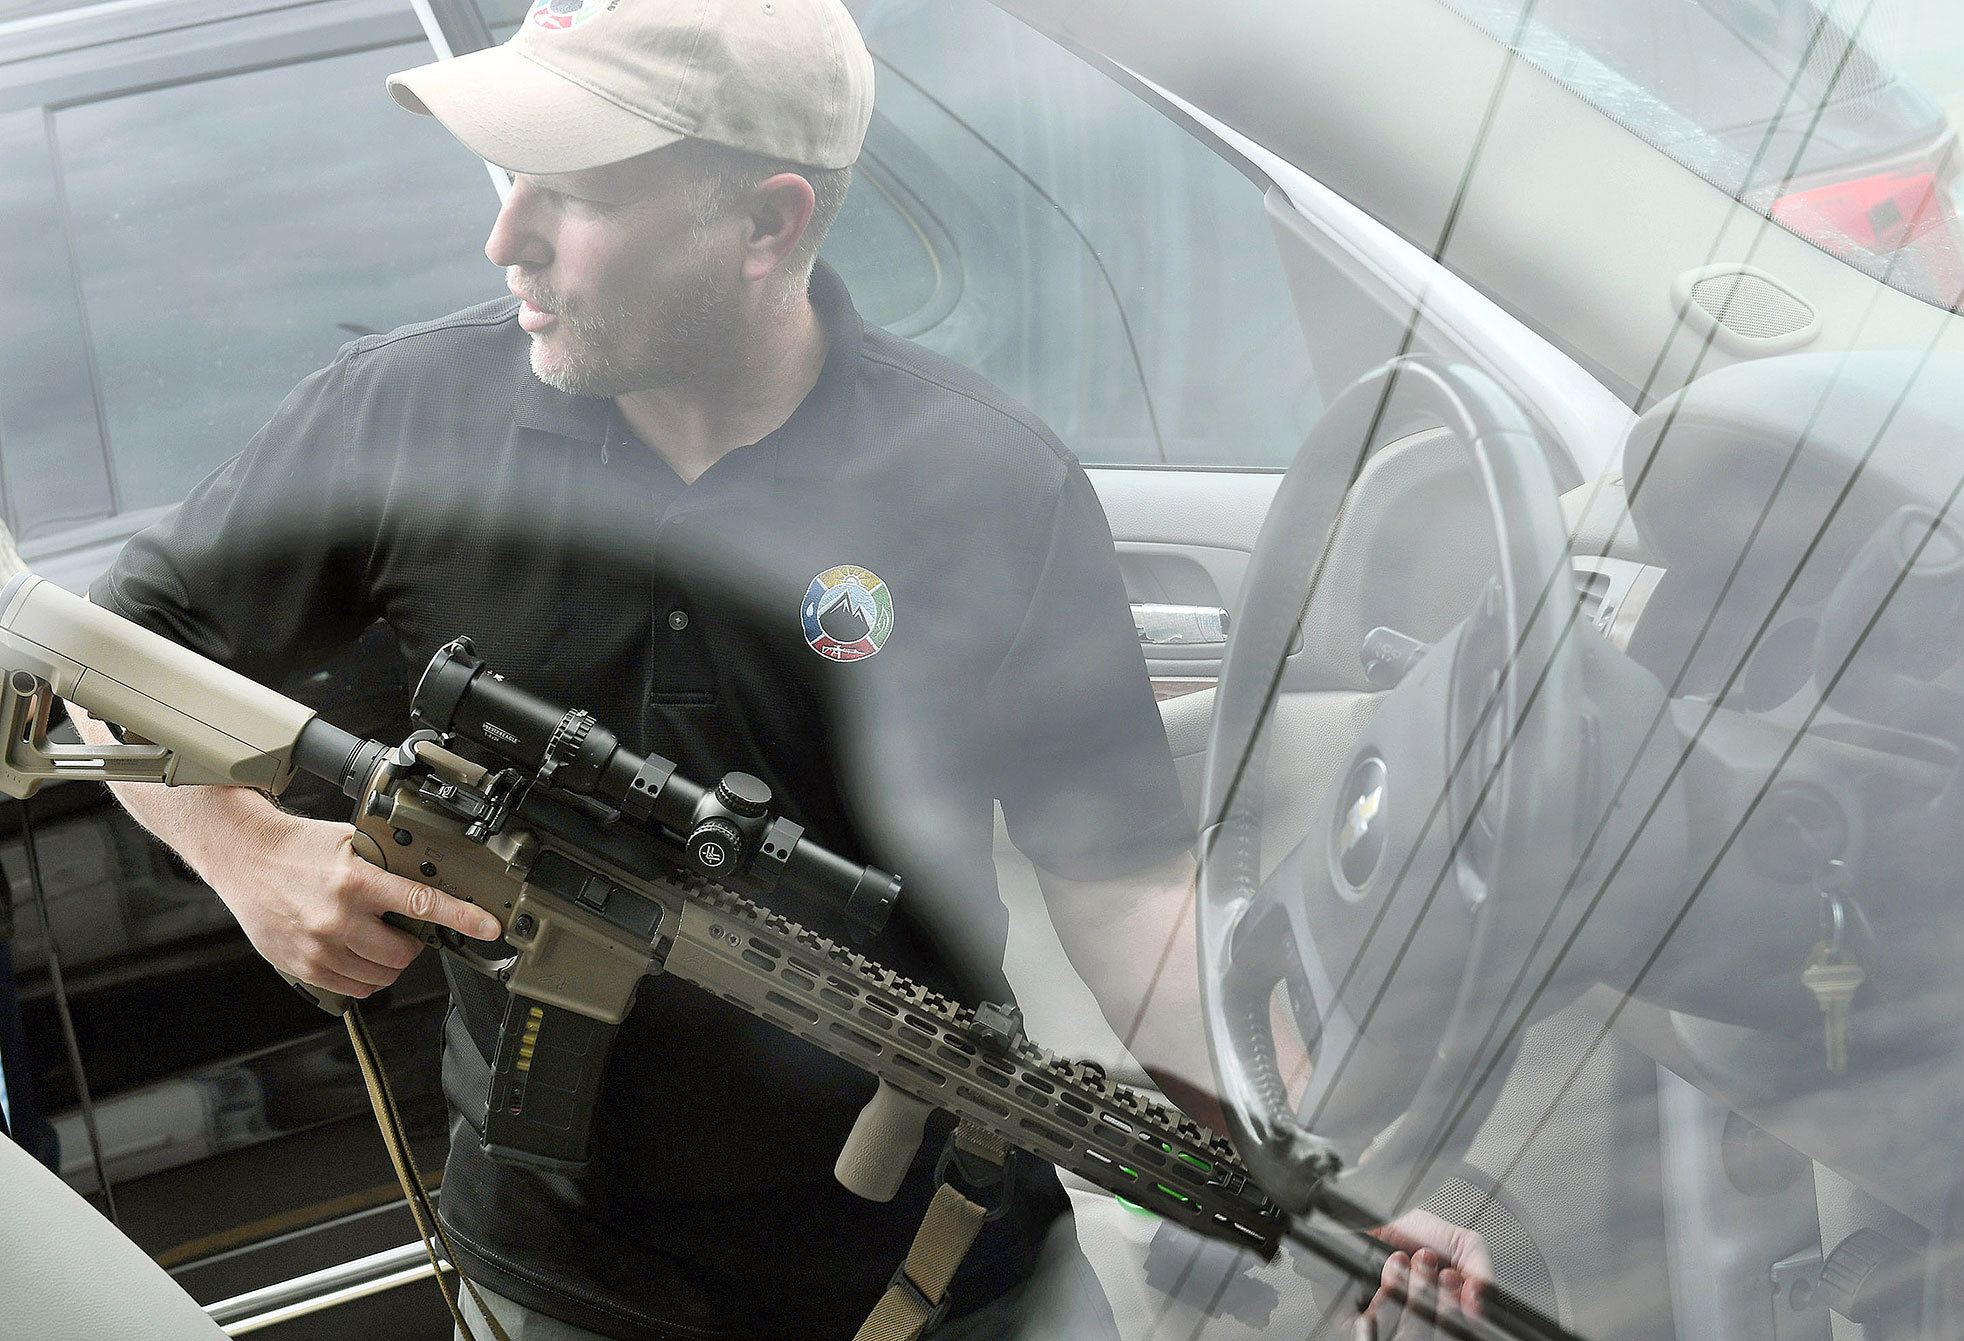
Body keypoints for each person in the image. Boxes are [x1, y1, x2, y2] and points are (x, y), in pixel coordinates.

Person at [77, 0, 1218, 1336]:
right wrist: (249, 850)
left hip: (954, 1275)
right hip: (560, 1288)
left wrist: (1331, 1191)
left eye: (572, 196)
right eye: (515, 186)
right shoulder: (394, 418)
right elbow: (102, 660)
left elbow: (1129, 888)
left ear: (768, 224)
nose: (505, 241)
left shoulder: (989, 481)